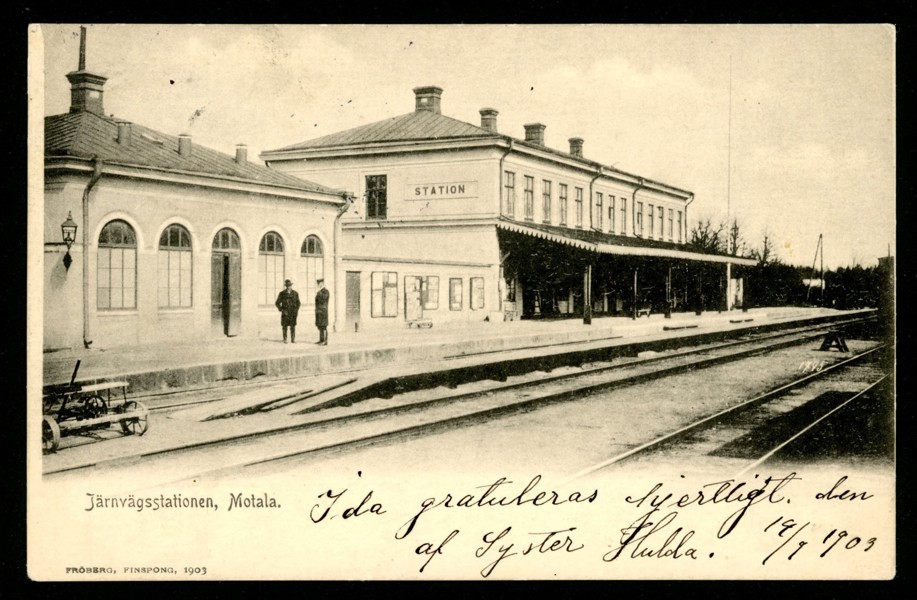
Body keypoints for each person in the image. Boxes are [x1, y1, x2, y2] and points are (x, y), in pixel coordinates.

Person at [275, 279, 301, 343]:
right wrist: (281, 309)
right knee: (284, 326)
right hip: (285, 312)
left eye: (290, 285)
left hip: (293, 312)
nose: (289, 287)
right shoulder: (282, 293)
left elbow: (298, 303)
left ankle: (293, 339)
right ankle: (285, 339)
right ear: (286, 286)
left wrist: (296, 310)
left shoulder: (295, 293)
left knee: (293, 326)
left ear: (291, 286)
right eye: (287, 286)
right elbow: (277, 303)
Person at [315, 278, 330, 345]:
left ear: (323, 284)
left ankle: (325, 341)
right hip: (319, 311)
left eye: (320, 283)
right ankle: (321, 340)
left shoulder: (326, 291)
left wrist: (319, 292)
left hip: (323, 311)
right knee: (320, 326)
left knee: (324, 326)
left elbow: (324, 298)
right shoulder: (319, 292)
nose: (319, 285)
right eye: (318, 284)